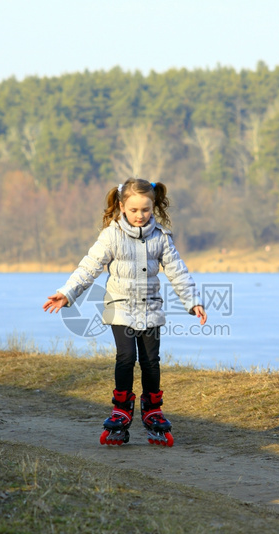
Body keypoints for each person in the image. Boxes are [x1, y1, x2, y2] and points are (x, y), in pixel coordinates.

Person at [43, 178, 207, 446]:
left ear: (153, 206)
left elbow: (178, 271)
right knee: (126, 356)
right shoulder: (111, 235)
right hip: (119, 307)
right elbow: (89, 267)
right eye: (133, 210)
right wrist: (67, 292)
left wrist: (193, 301)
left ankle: (153, 408)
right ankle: (121, 408)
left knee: (151, 360)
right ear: (121, 207)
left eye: (146, 209)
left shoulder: (161, 238)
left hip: (151, 307)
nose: (140, 215)